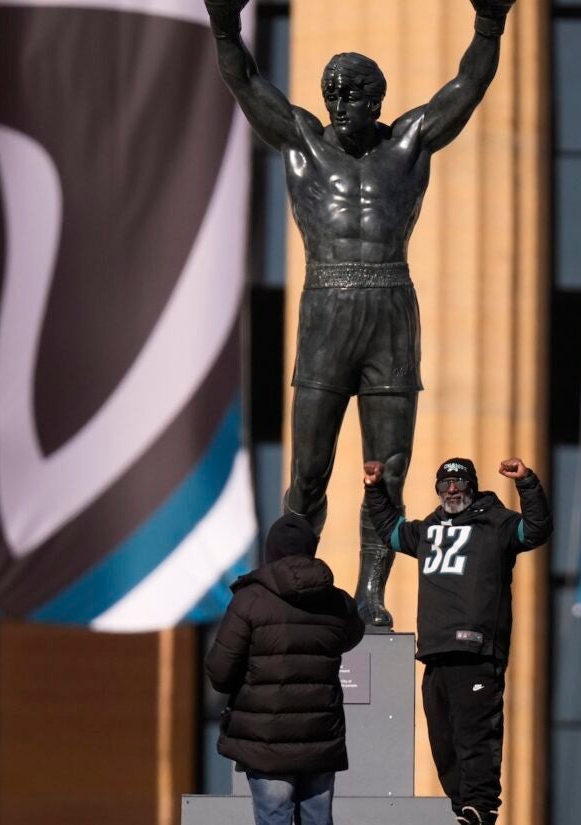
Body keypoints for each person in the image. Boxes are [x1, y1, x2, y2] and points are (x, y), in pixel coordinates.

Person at [205, 0, 517, 629]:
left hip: (390, 311)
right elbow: (243, 79)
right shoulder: (301, 143)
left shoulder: (408, 143)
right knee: (309, 469)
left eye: (358, 96)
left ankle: (371, 591)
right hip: (327, 308)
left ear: (378, 100)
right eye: (336, 96)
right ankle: (297, 583)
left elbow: (470, 83)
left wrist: (490, 23)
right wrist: (222, 24)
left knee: (389, 468)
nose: (346, 106)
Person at [362, 456, 551, 825]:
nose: (452, 490)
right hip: (434, 654)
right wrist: (375, 488)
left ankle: (480, 810)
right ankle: (461, 808)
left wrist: (526, 482)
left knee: (474, 736)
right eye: (445, 483)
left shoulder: (496, 524)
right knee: (443, 743)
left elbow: (537, 529)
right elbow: (390, 529)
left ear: (472, 485)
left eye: (459, 482)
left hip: (476, 652)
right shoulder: (428, 529)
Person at [205, 513, 367, 825]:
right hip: (321, 736)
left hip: (266, 742)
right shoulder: (337, 601)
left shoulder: (250, 600)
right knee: (318, 819)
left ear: (271, 552)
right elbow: (352, 636)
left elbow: (220, 672)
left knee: (274, 817)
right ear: (311, 549)